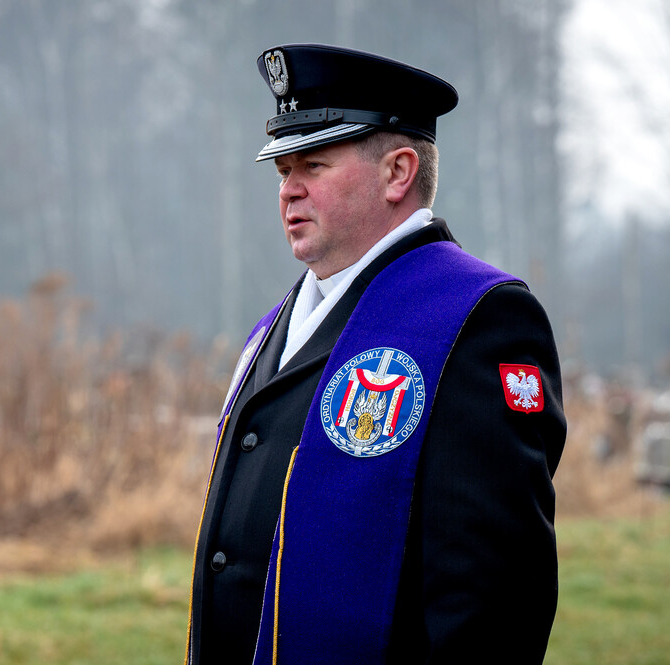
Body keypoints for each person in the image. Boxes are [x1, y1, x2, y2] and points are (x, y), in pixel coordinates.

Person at [185, 44, 566, 665]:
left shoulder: (478, 318)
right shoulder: (275, 325)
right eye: (282, 171)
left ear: (398, 172)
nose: (289, 190)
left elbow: (495, 597)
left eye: (314, 164)